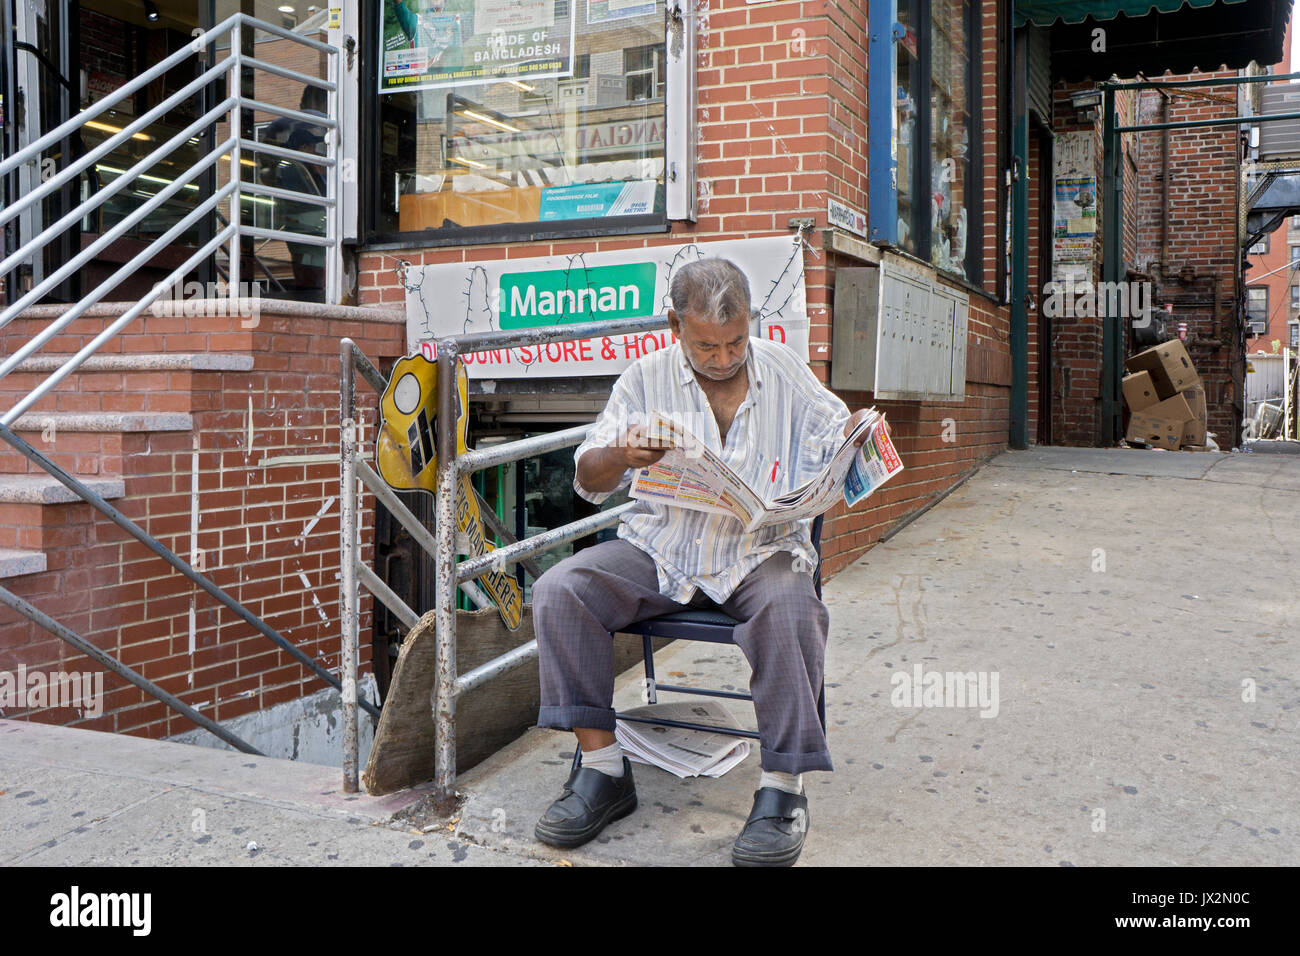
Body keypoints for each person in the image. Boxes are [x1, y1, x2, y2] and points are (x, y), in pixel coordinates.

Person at [530, 257, 888, 866]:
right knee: (562, 589)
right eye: (706, 345)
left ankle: (782, 790)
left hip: (758, 551)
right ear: (675, 324)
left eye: (734, 342)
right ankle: (603, 769)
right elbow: (588, 475)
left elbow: (833, 435)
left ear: (750, 322)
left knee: (791, 603)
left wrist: (853, 436)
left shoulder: (782, 369)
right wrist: (621, 452)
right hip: (661, 548)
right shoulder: (644, 378)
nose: (723, 358)